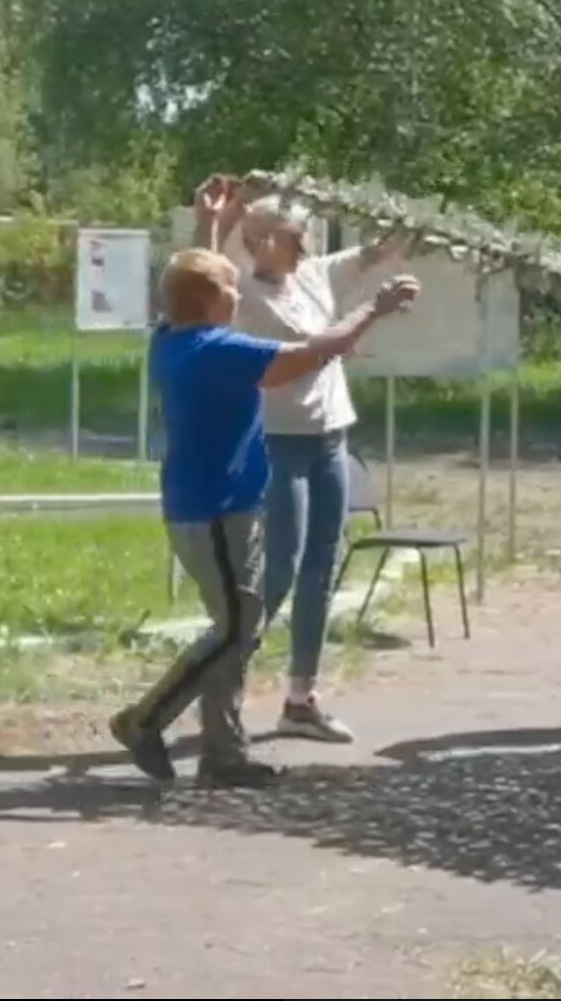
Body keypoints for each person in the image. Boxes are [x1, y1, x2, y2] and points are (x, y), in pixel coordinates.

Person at [109, 248, 418, 787]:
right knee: (234, 628)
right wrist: (376, 307)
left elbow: (190, 289)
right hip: (215, 512)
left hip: (220, 507)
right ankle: (143, 720)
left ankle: (225, 756)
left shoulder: (171, 338)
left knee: (236, 627)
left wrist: (208, 229)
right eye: (230, 290)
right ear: (207, 300)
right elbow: (316, 352)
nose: (238, 296)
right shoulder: (215, 350)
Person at [195, 179, 409, 743]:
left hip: (331, 437)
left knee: (323, 565)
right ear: (260, 239)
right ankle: (223, 690)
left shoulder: (311, 274)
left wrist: (413, 225)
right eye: (292, 237)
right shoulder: (244, 293)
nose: (303, 247)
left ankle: (300, 698)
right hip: (278, 442)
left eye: (302, 235)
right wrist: (215, 219)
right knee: (281, 569)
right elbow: (203, 273)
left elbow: (371, 253)